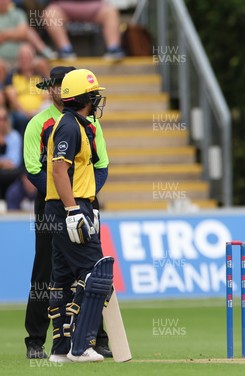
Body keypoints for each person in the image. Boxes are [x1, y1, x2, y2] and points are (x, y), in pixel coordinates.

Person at [23, 66, 110, 360]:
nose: (97, 100)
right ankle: (80, 344)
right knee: (94, 275)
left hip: (75, 203)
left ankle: (61, 348)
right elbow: (53, 171)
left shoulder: (84, 125)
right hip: (65, 206)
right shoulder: (65, 125)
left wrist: (86, 198)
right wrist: (72, 206)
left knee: (60, 277)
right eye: (94, 96)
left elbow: (99, 166)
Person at [42, 0, 125, 60]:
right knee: (50, 13)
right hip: (62, 7)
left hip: (93, 7)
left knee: (110, 12)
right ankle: (65, 50)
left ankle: (113, 49)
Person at [5, 43, 50, 135]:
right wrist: (26, 113)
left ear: (33, 59)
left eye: (27, 57)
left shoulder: (40, 76)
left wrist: (36, 112)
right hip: (19, 113)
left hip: (38, 112)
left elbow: (47, 96)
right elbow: (12, 98)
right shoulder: (12, 76)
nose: (25, 60)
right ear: (18, 60)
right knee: (21, 118)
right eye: (22, 57)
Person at [0, 106, 20, 200]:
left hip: (9, 173)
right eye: (0, 119)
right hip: (5, 170)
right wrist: (4, 162)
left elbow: (14, 162)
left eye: (4, 119)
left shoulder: (14, 136)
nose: (2, 122)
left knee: (13, 173)